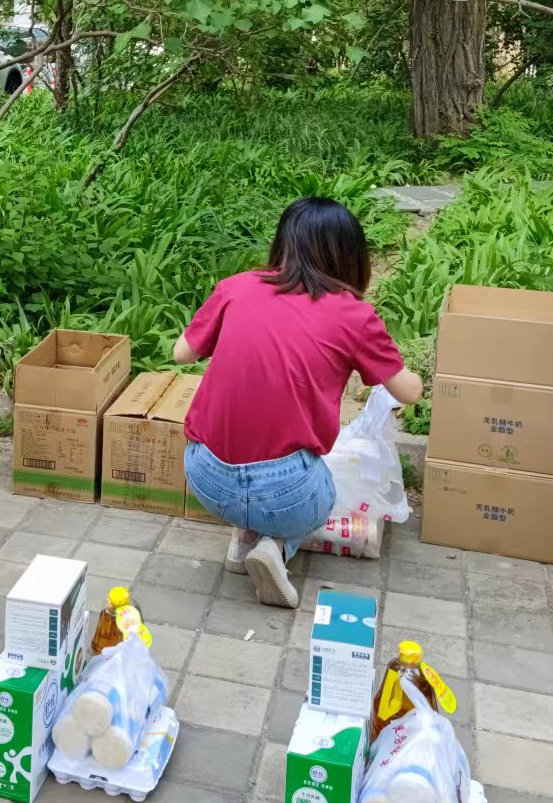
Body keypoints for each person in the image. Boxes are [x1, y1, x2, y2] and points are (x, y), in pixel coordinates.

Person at [174, 198, 425, 608]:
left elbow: (180, 353)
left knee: (252, 476)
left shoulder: (236, 287)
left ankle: (241, 542)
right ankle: (276, 548)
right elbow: (409, 392)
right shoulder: (354, 316)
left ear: (283, 244)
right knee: (325, 489)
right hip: (286, 491)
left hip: (205, 475)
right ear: (351, 256)